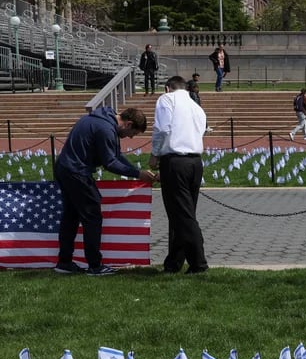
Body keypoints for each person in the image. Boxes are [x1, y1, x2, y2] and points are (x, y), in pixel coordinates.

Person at [53, 106, 157, 276]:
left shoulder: (99, 120)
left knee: (70, 217)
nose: (130, 137)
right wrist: (138, 174)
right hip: (77, 173)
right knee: (92, 217)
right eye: (133, 133)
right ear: (128, 123)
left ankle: (64, 262)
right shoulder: (106, 129)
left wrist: (137, 172)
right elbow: (111, 163)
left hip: (65, 168)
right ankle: (95, 265)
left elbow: (115, 155)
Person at [148, 76, 209, 274]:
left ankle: (198, 262)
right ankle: (174, 261)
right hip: (195, 161)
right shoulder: (197, 107)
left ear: (168, 88)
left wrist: (154, 154)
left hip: (175, 160)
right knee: (182, 213)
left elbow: (162, 128)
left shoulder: (166, 100)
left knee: (182, 215)